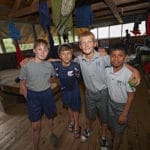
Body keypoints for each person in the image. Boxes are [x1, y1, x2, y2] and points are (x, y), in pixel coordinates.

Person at [73, 31, 140, 148]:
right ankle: (89, 129)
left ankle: (103, 136)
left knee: (104, 117)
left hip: (103, 93)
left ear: (95, 43)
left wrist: (135, 71)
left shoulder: (103, 57)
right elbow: (66, 62)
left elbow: (119, 60)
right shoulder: (78, 60)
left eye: (89, 41)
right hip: (88, 93)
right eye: (83, 43)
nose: (86, 45)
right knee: (89, 115)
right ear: (80, 46)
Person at [19, 39, 58, 150]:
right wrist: (28, 99)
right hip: (32, 96)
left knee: (50, 116)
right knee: (35, 126)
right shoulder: (26, 65)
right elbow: (22, 84)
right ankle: (35, 147)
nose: (42, 52)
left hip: (47, 94)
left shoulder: (49, 65)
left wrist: (53, 60)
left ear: (48, 51)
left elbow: (53, 75)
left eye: (45, 50)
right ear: (34, 50)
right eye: (39, 49)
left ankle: (51, 132)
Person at [105, 44, 136, 150]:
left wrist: (124, 114)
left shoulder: (131, 76)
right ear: (109, 57)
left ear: (125, 57)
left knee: (118, 132)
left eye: (120, 56)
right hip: (110, 103)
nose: (116, 59)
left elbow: (131, 96)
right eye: (113, 55)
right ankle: (114, 140)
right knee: (112, 126)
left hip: (122, 107)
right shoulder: (107, 71)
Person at [51, 44, 82, 139]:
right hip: (64, 91)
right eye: (63, 54)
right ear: (59, 56)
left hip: (74, 90)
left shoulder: (76, 66)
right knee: (68, 106)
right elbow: (45, 61)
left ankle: (76, 124)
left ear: (72, 54)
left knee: (75, 107)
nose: (66, 56)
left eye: (68, 53)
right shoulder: (56, 65)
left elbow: (79, 78)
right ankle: (72, 120)